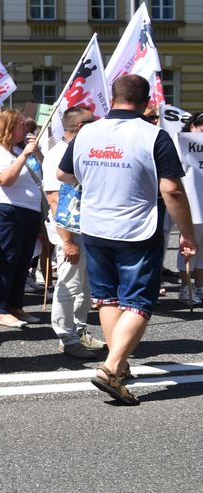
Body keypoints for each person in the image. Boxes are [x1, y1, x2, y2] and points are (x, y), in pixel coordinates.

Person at [59, 75, 198, 405]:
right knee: (139, 301)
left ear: (113, 97)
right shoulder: (153, 135)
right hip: (136, 227)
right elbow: (172, 189)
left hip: (94, 226)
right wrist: (188, 234)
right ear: (146, 100)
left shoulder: (88, 131)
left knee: (107, 298)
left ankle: (119, 365)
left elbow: (63, 175)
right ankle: (110, 367)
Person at [42, 106, 107, 359]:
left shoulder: (84, 150)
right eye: (92, 121)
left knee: (85, 286)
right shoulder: (57, 154)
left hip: (88, 227)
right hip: (68, 229)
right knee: (69, 284)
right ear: (80, 127)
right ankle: (66, 337)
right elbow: (55, 199)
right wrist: (68, 240)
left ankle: (79, 331)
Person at [0, 109, 44, 328]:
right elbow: (5, 179)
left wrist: (35, 152)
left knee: (23, 260)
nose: (24, 130)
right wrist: (25, 155)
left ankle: (15, 305)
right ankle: (0, 308)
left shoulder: (19, 149)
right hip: (7, 209)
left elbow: (45, 170)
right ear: (9, 127)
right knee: (7, 259)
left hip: (29, 210)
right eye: (20, 126)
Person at [176, 111, 203, 306]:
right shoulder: (182, 145)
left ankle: (199, 287)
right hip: (191, 205)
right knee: (187, 248)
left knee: (202, 251)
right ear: (192, 127)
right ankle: (186, 288)